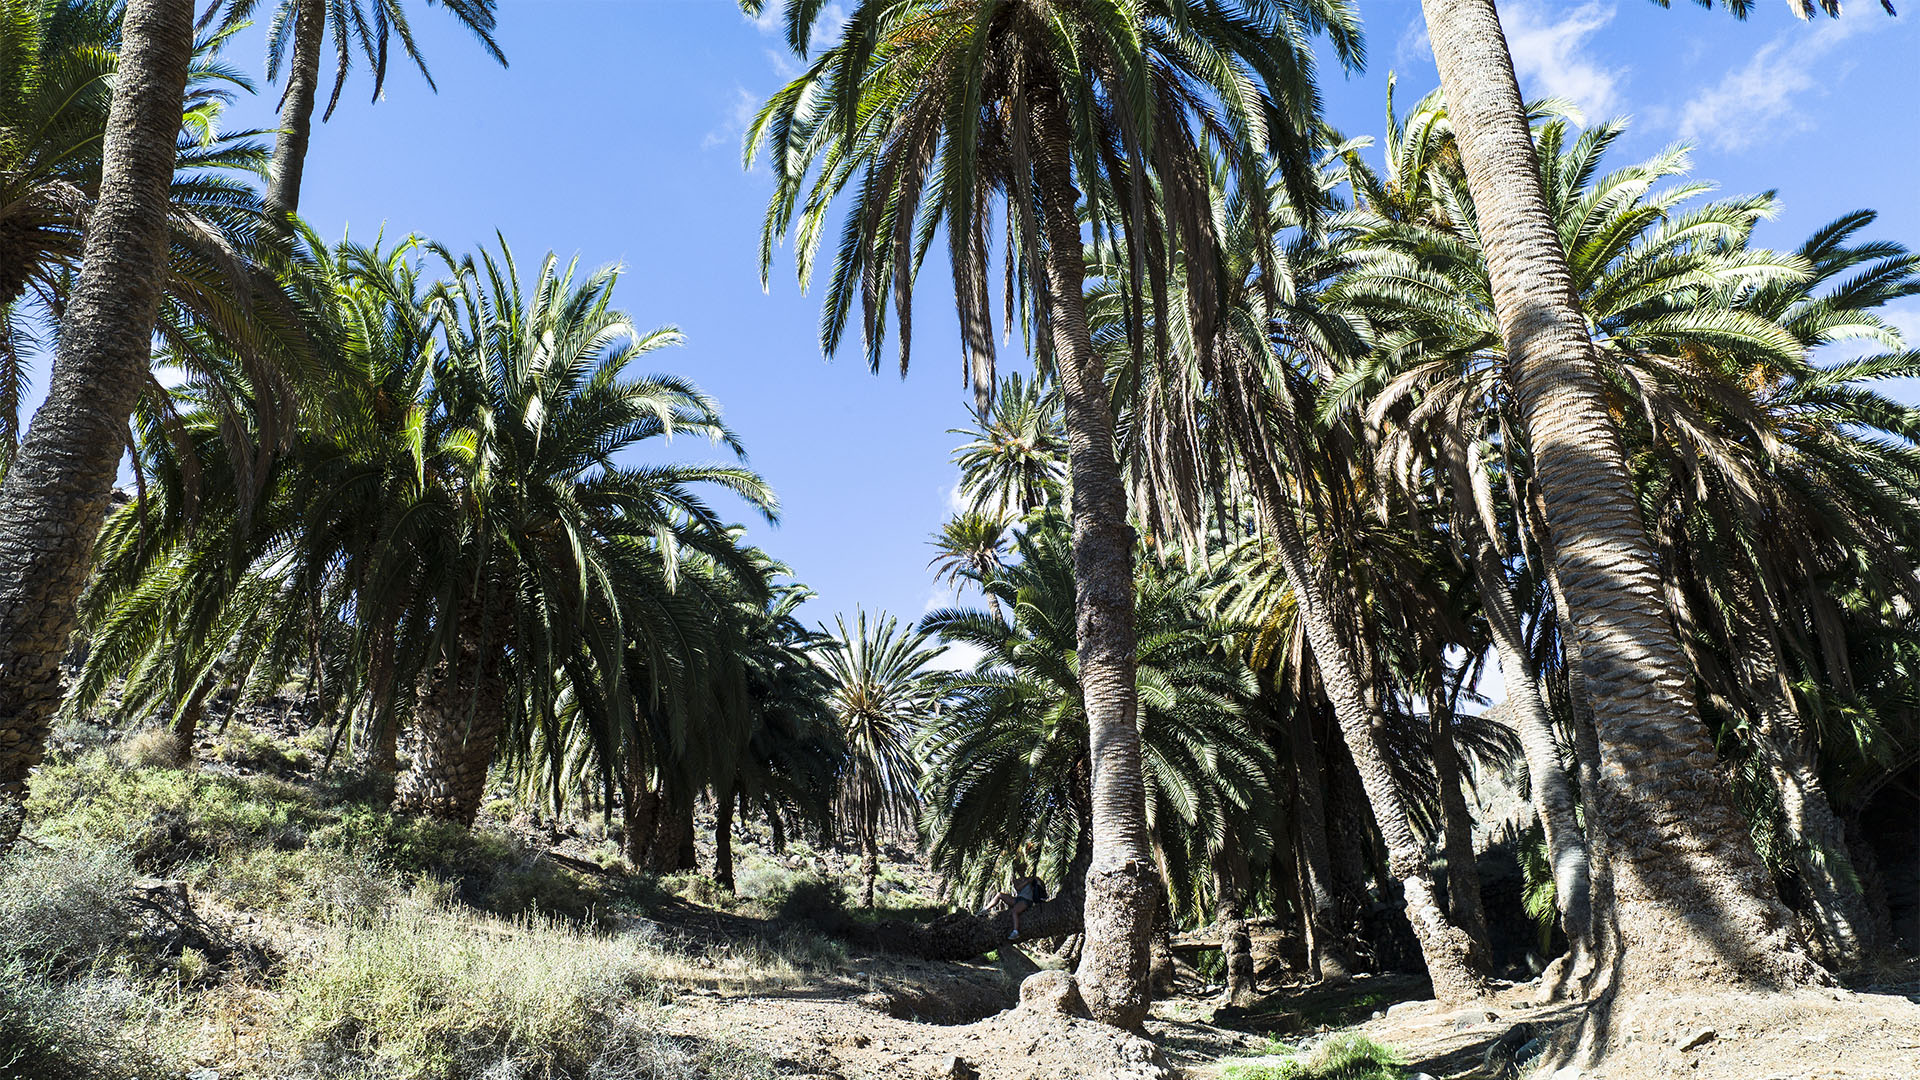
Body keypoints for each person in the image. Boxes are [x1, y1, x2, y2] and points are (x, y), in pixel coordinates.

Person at [982, 864, 1048, 941]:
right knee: (999, 895)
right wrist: (1027, 881)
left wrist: (1037, 879)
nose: (1021, 872)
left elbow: (1042, 886)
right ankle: (986, 909)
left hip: (1026, 900)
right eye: (1019, 870)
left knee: (1014, 912)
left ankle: (1016, 931)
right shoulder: (1017, 881)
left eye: (1022, 870)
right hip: (1018, 899)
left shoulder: (1030, 879)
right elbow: (1018, 887)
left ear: (1024, 870)